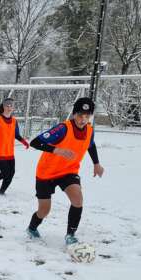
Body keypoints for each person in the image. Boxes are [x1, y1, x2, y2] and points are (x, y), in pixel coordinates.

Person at [26, 97, 104, 245]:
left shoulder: (89, 131)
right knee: (44, 211)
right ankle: (32, 228)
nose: (83, 119)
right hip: (46, 172)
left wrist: (96, 164)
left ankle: (70, 235)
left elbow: (91, 145)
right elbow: (35, 142)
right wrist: (56, 150)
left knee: (77, 199)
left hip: (69, 171)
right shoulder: (63, 129)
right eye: (80, 115)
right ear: (74, 114)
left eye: (87, 116)